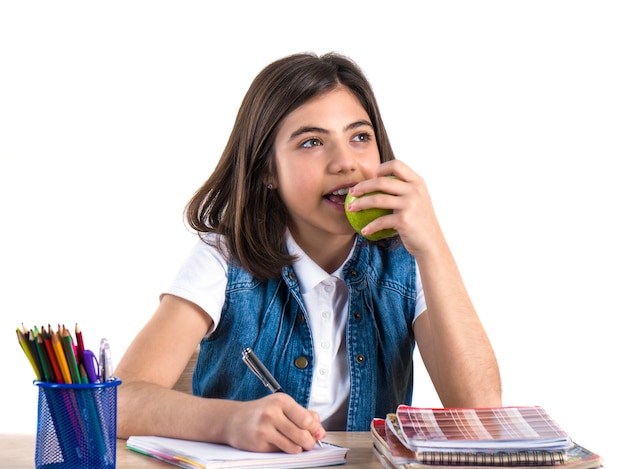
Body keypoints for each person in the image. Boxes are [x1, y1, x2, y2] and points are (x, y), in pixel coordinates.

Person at [114, 51, 502, 454]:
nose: (345, 162)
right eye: (312, 142)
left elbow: (481, 413)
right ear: (267, 170)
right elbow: (119, 400)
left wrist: (433, 245)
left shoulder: (407, 257)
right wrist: (229, 421)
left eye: (360, 137)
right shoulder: (225, 258)